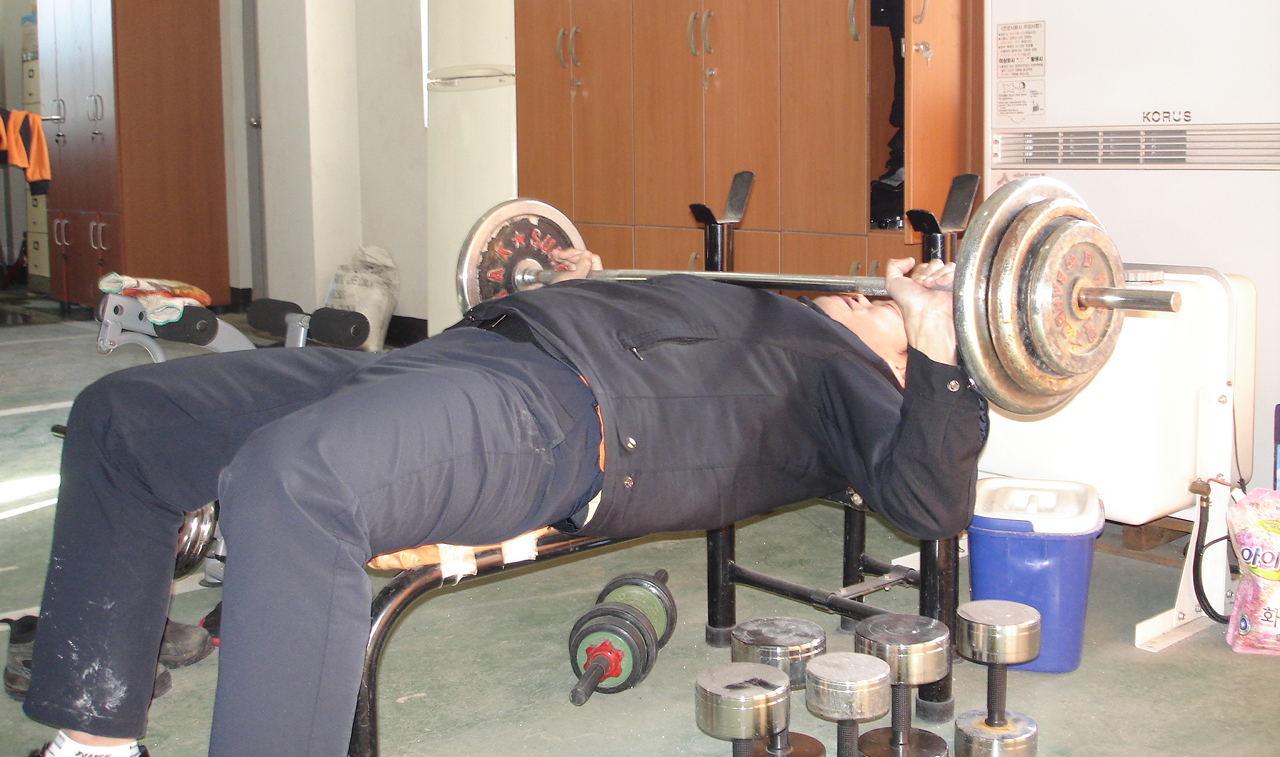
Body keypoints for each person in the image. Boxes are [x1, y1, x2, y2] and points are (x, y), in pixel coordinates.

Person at [22, 251, 987, 757]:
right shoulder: (767, 308)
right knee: (124, 417)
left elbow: (930, 500)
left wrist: (938, 342)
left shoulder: (852, 383)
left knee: (296, 483)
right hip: (452, 356)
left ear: (904, 366)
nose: (869, 296)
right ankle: (95, 738)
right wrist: (580, 287)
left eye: (885, 311)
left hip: (556, 416)